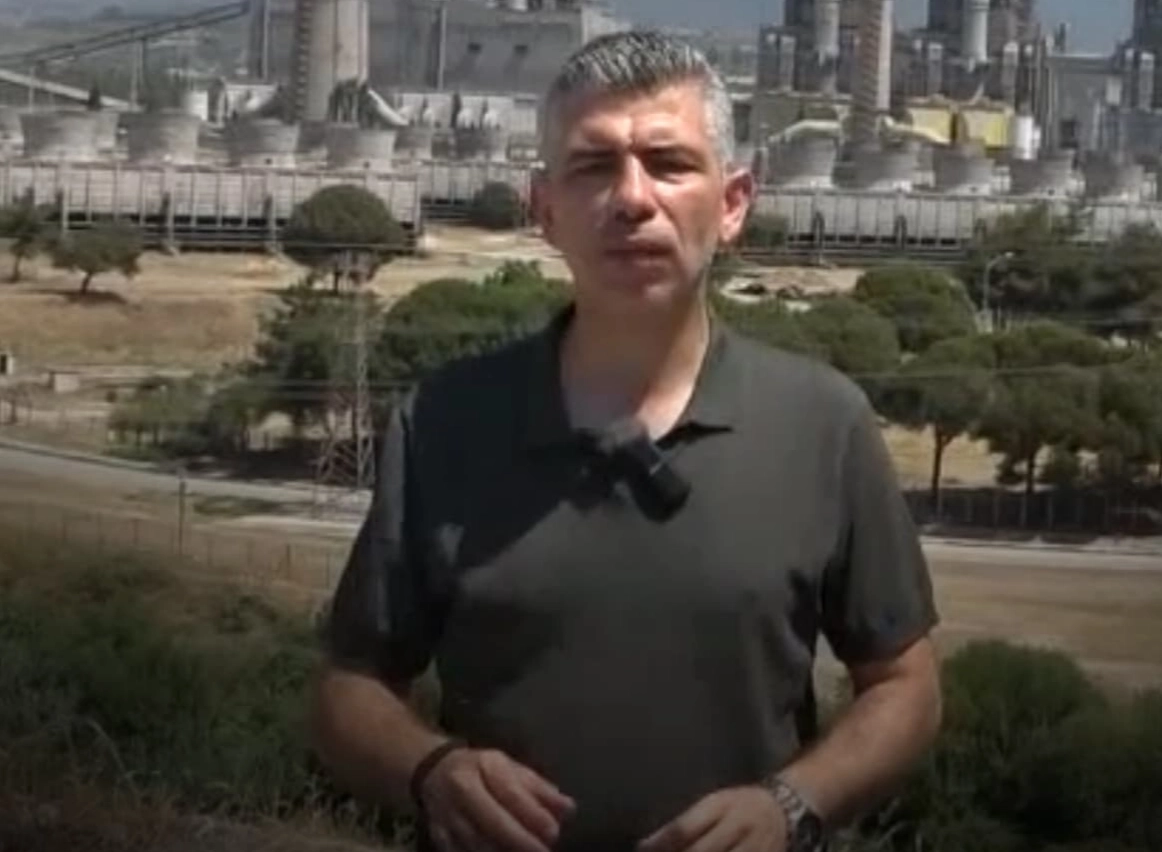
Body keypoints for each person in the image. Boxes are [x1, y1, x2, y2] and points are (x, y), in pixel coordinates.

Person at [310, 30, 942, 852]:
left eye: (668, 164)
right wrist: (430, 770)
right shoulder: (442, 420)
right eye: (593, 166)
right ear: (545, 210)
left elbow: (906, 685)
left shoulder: (823, 423)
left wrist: (792, 804)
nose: (631, 197)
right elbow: (349, 686)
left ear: (733, 202)